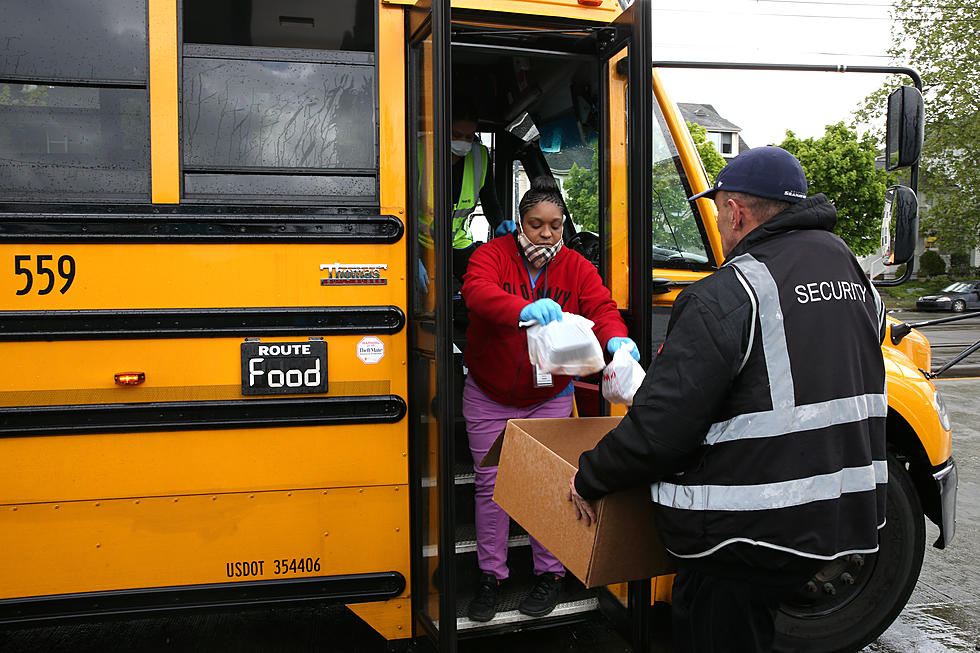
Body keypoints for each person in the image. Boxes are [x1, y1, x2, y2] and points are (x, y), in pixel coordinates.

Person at [568, 146, 888, 652]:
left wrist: (590, 476)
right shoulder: (850, 271)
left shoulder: (728, 291)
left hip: (744, 533)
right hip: (837, 515)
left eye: (718, 211)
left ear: (736, 212)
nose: (718, 223)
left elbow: (662, 428)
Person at [461, 176, 639, 622]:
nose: (546, 234)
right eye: (536, 224)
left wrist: (618, 341)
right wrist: (520, 310)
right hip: (489, 393)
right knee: (491, 486)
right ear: (520, 222)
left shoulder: (577, 266)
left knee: (555, 485)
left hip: (549, 396)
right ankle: (491, 576)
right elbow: (477, 292)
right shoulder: (492, 255)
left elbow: (601, 309)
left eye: (555, 225)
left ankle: (551, 574)